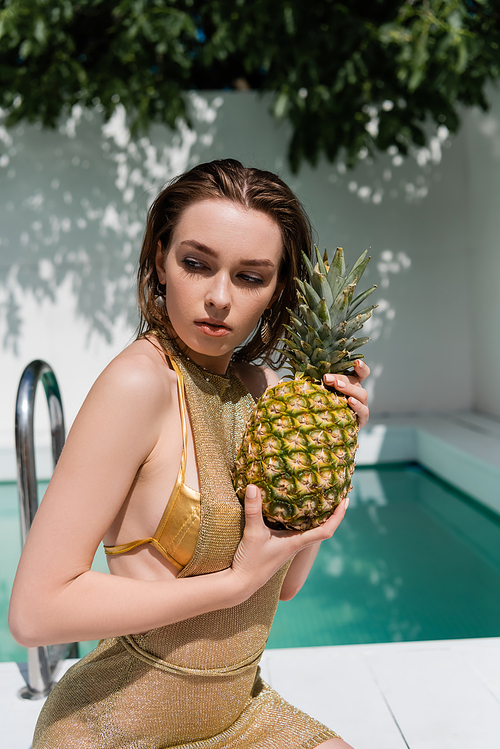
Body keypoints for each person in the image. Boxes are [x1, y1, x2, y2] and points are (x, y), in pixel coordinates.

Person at [9, 159, 370, 748]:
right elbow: (34, 611)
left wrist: (333, 452)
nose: (219, 297)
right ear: (160, 259)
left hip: (240, 716)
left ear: (280, 289)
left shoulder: (264, 395)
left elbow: (281, 585)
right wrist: (231, 584)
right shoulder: (138, 384)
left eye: (251, 277)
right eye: (196, 264)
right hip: (117, 726)